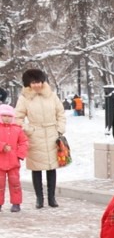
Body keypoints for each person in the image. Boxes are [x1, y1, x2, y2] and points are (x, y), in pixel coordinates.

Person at [15, 68, 66, 209]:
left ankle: (52, 198)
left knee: (51, 168)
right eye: (33, 82)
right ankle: (39, 199)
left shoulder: (52, 96)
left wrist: (59, 129)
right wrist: (29, 129)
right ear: (28, 84)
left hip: (52, 134)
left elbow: (60, 113)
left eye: (38, 82)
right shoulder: (24, 98)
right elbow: (17, 118)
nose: (36, 85)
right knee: (36, 169)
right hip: (34, 136)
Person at [0, 104, 28, 213]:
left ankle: (16, 203)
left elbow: (24, 142)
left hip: (13, 162)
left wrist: (20, 155)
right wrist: (2, 146)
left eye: (9, 116)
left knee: (15, 183)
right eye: (4, 116)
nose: (6, 118)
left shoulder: (17, 129)